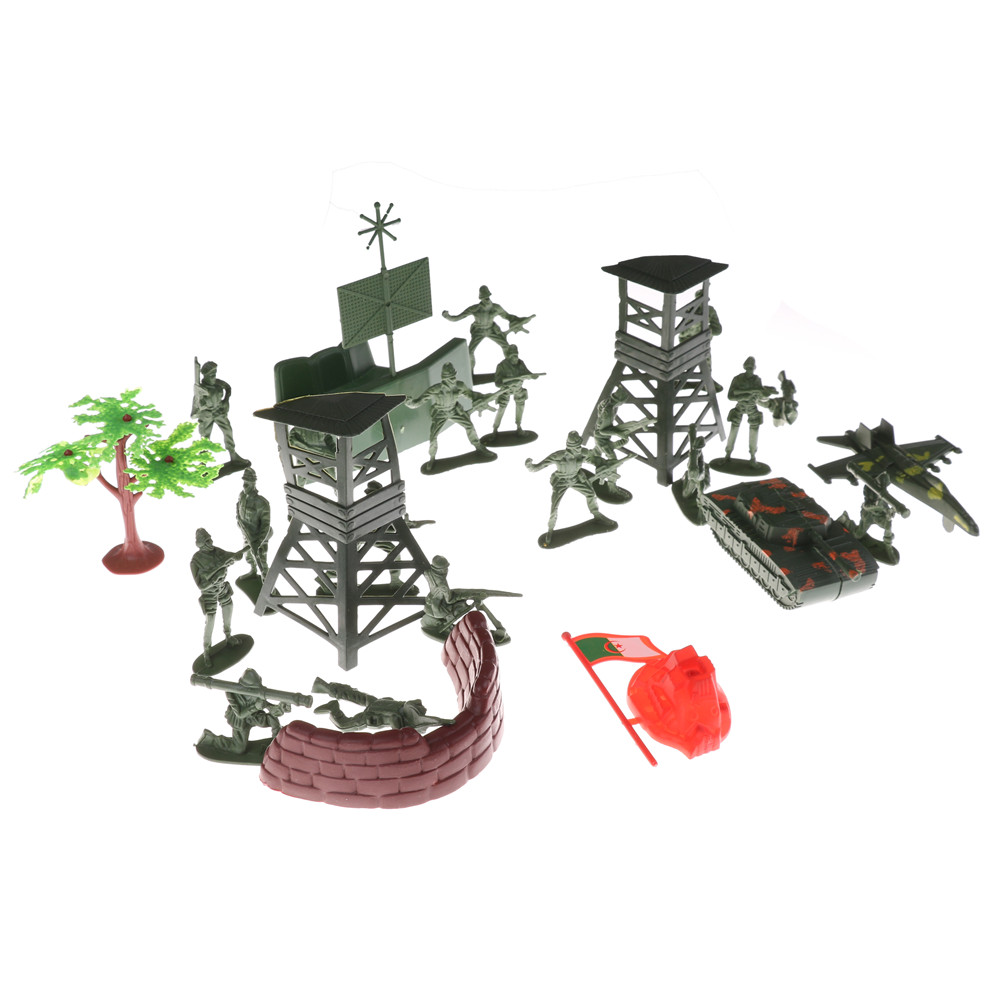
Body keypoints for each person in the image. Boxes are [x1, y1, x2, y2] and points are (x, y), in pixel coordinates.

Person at [525, 431, 616, 543]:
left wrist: (604, 464)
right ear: (570, 447)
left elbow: (594, 460)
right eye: (577, 447)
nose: (579, 448)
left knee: (591, 494)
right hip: (561, 482)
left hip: (576, 479)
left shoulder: (582, 453)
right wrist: (529, 466)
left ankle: (597, 515)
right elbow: (537, 467)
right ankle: (550, 530)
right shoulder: (558, 456)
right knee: (554, 506)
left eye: (579, 446)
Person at [405, 362, 495, 467]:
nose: (453, 379)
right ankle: (432, 458)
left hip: (454, 411)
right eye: (450, 378)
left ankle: (479, 447)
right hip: (440, 413)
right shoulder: (436, 389)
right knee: (433, 436)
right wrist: (409, 403)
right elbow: (418, 402)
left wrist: (482, 397)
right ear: (444, 379)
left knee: (469, 426)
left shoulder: (459, 386)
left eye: (454, 376)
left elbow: (471, 395)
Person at [191, 528, 247, 668]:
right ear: (201, 544)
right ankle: (206, 651)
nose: (211, 542)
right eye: (207, 541)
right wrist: (215, 577)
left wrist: (236, 556)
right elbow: (201, 585)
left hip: (222, 587)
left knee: (229, 606)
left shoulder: (217, 551)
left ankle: (228, 636)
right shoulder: (195, 561)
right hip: (209, 593)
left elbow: (231, 556)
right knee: (210, 620)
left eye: (210, 539)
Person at [199, 668, 289, 754]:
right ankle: (210, 739)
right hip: (240, 721)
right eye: (253, 688)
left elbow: (269, 708)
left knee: (272, 719)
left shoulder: (259, 691)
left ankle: (277, 744)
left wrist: (280, 708)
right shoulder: (232, 693)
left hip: (254, 716)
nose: (257, 689)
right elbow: (240, 714)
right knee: (238, 749)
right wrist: (256, 707)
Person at [442, 285, 533, 366]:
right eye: (485, 297)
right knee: (470, 352)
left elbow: (508, 316)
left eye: (488, 297)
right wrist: (448, 316)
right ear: (481, 298)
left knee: (506, 346)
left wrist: (519, 321)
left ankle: (511, 365)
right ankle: (470, 371)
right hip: (478, 331)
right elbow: (458, 317)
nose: (487, 299)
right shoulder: (475, 308)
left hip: (491, 330)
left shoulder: (496, 307)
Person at [191, 359, 246, 465]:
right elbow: (194, 412)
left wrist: (226, 400)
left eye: (215, 374)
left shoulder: (218, 383)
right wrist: (201, 405)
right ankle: (202, 462)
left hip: (219, 412)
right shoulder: (200, 390)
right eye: (211, 375)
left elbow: (228, 388)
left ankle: (233, 454)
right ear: (205, 376)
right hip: (207, 416)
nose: (214, 377)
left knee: (228, 431)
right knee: (205, 438)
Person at [722, 357, 776, 464]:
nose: (749, 370)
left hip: (752, 407)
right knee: (734, 429)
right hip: (740, 407)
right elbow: (730, 396)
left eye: (751, 367)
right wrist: (744, 396)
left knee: (754, 429)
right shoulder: (737, 379)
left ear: (754, 368)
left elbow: (759, 397)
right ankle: (728, 454)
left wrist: (765, 395)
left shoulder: (757, 380)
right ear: (744, 367)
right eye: (748, 367)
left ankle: (752, 457)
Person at [491, 344, 541, 434]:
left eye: (516, 355)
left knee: (521, 405)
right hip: (506, 390)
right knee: (502, 407)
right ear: (508, 356)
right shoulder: (501, 366)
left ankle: (518, 426)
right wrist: (507, 384)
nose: (515, 358)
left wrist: (533, 376)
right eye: (513, 355)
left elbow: (527, 373)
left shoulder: (520, 363)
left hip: (518, 389)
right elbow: (497, 383)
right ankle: (495, 429)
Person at [235, 467, 272, 578]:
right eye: (244, 482)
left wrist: (258, 542)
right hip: (247, 534)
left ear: (254, 483)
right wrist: (238, 521)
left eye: (247, 483)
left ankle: (267, 579)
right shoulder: (241, 496)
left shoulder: (262, 503)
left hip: (260, 537)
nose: (244, 485)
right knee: (248, 556)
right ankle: (253, 570)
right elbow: (237, 508)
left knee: (261, 558)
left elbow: (265, 525)